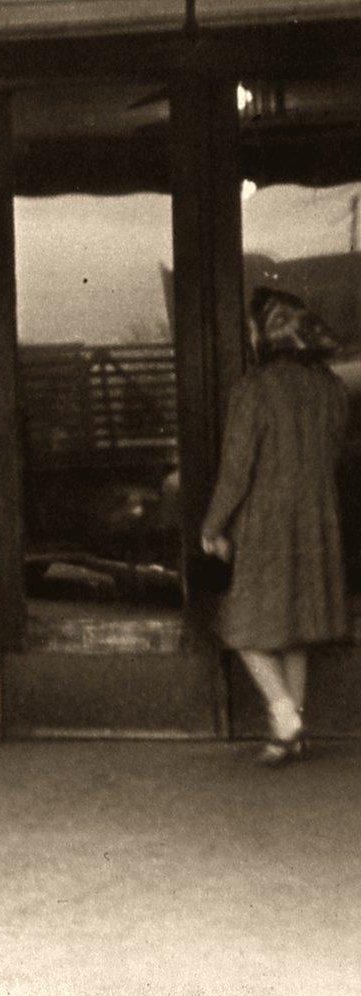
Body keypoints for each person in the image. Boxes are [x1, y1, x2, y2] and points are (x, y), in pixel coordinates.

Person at [200, 286, 350, 766]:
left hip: (267, 520)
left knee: (242, 626)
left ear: (267, 332)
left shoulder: (255, 388)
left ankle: (284, 716)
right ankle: (292, 735)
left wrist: (213, 525)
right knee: (295, 631)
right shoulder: (330, 387)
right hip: (318, 518)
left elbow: (236, 470)